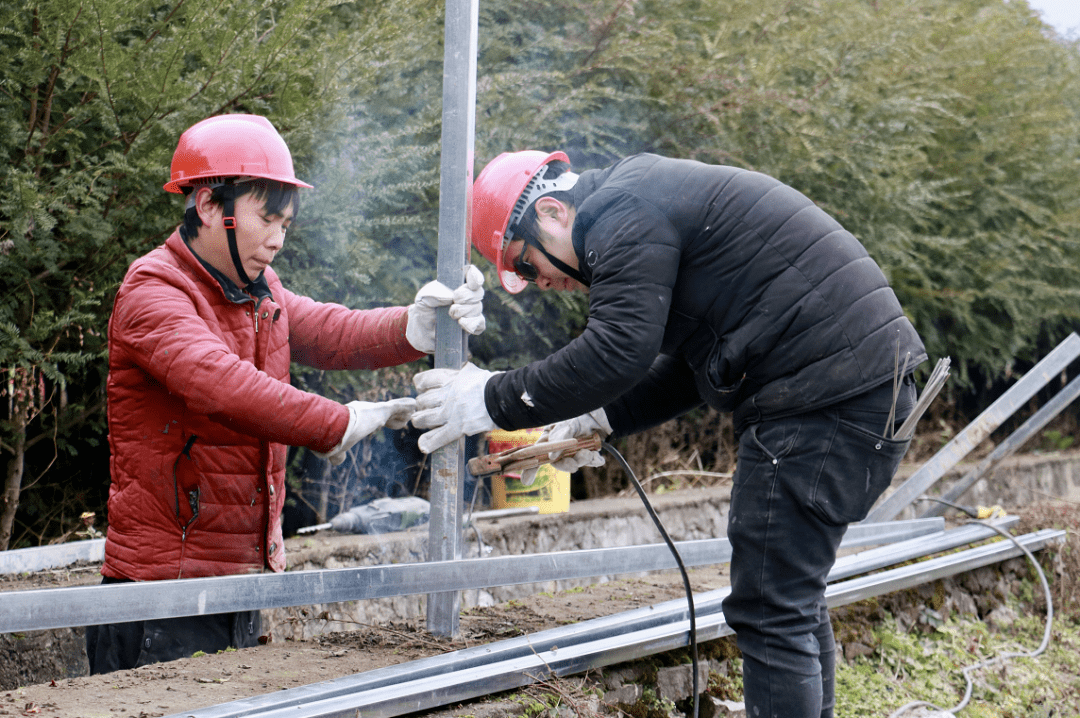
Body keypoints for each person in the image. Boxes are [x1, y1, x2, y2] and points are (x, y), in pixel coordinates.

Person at [411, 150, 927, 718]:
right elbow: (692, 366)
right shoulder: (642, 200)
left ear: (553, 212)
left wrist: (490, 399)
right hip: (853, 387)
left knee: (770, 607)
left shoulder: (617, 211)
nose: (540, 283)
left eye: (526, 265)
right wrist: (600, 417)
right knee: (788, 601)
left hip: (823, 395)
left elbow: (618, 349)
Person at [87, 114, 485, 674]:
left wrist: (413, 328)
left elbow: (330, 332)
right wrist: (336, 423)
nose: (276, 238)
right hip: (161, 595)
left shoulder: (258, 288)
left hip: (243, 583)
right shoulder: (154, 289)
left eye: (286, 224)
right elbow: (221, 384)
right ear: (207, 205)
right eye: (266, 218)